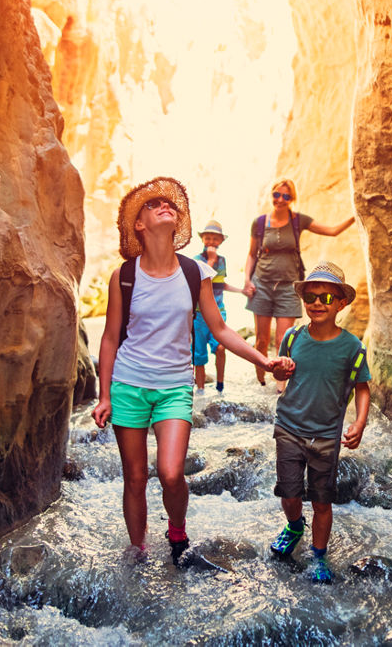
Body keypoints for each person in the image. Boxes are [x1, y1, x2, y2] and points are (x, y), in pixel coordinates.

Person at [92, 177, 293, 565]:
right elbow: (110, 338)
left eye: (169, 204)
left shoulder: (195, 272)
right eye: (153, 205)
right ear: (140, 224)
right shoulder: (125, 275)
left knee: (170, 473)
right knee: (134, 478)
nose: (164, 206)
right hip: (128, 385)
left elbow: (220, 329)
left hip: (174, 388)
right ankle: (137, 553)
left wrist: (262, 360)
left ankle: (177, 528)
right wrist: (103, 395)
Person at [267, 261, 371, 584]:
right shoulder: (293, 336)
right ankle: (295, 525)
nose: (316, 303)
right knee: (289, 493)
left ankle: (319, 556)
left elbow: (362, 388)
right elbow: (280, 375)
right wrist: (279, 373)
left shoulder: (352, 348)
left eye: (326, 298)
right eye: (311, 296)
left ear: (340, 303)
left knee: (322, 501)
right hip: (288, 428)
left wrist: (360, 422)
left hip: (326, 437)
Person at [243, 178, 356, 393]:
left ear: (292, 199)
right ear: (272, 195)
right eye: (277, 194)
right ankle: (261, 384)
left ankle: (280, 390)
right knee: (261, 341)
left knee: (283, 341)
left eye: (286, 196)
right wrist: (247, 280)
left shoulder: (298, 221)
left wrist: (356, 213)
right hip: (262, 285)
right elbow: (251, 255)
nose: (280, 200)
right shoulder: (259, 223)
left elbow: (332, 231)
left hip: (287, 287)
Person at [192, 220, 229, 394]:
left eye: (215, 239)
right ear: (202, 240)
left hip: (218, 311)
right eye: (208, 238)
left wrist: (243, 290)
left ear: (220, 241)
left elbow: (221, 284)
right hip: (199, 315)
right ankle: (200, 391)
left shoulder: (223, 261)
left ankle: (220, 385)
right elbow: (198, 279)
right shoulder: (197, 261)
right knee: (198, 354)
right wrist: (211, 260)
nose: (211, 242)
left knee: (221, 347)